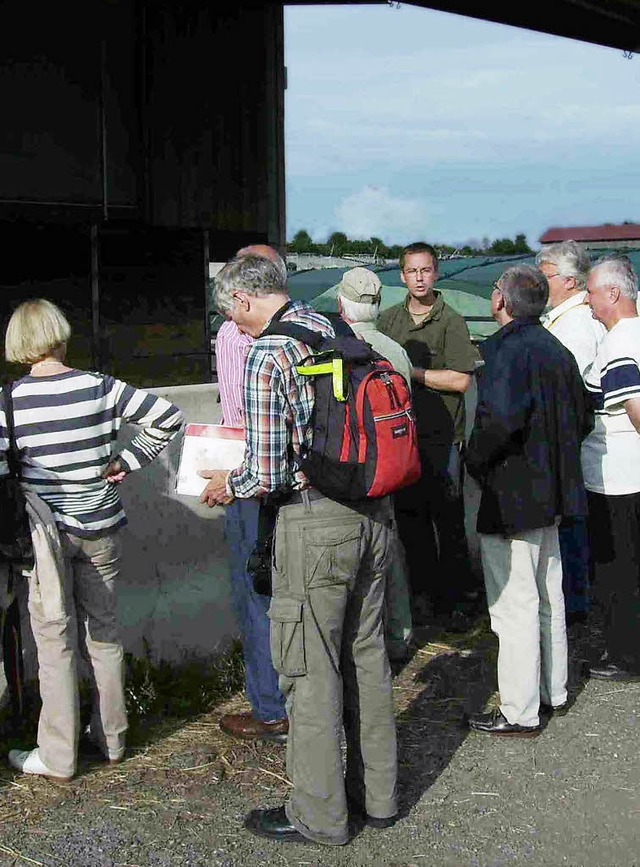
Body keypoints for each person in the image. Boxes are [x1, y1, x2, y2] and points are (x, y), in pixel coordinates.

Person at [200, 254, 397, 846]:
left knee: (308, 673)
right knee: (367, 658)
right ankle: (379, 797)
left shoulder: (267, 354)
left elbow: (265, 469)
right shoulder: (329, 327)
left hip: (315, 525)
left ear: (240, 302)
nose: (234, 328)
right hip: (374, 514)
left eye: (230, 316)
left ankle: (320, 816)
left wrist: (222, 486)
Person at [3, 299, 183, 780]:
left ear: (19, 345)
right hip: (101, 527)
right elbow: (168, 416)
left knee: (54, 640)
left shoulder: (9, 402)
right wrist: (126, 460)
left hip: (44, 539)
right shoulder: (101, 387)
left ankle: (58, 756)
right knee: (103, 633)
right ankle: (112, 739)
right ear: (62, 335)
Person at [466, 265, 591, 737]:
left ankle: (519, 710)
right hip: (552, 493)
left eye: (495, 289)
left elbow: (499, 421)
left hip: (513, 495)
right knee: (546, 598)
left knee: (514, 606)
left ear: (502, 301)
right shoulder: (555, 348)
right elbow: (583, 416)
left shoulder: (503, 351)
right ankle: (552, 691)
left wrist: (475, 461)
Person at [378, 242, 478, 624]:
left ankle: (457, 603)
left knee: (448, 521)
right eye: (412, 271)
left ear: (435, 274)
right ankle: (424, 599)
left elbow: (461, 380)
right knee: (410, 522)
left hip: (441, 440)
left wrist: (412, 373)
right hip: (403, 440)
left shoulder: (450, 320)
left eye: (425, 270)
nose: (419, 278)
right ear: (402, 276)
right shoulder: (389, 321)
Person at [215, 244, 287, 742]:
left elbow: (240, 420)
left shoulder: (242, 338)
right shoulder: (316, 328)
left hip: (252, 480)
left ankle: (269, 707)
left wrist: (228, 480)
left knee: (256, 591)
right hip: (304, 485)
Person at [336, 266, 413, 660]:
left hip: (350, 470)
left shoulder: (334, 348)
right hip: (390, 466)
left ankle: (359, 642)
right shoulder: (396, 350)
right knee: (390, 551)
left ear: (340, 303)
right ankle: (399, 633)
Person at [536, 240, 605, 621]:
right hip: (575, 444)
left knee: (573, 526)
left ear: (569, 281)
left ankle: (574, 604)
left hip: (575, 445)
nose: (542, 284)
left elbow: (568, 392)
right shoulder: (565, 320)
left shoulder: (575, 326)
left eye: (546, 276)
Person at [582, 254, 640, 680]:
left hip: (619, 480)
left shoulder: (620, 343)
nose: (586, 300)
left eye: (591, 291)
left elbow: (636, 409)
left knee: (619, 571)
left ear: (613, 294)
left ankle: (626, 656)